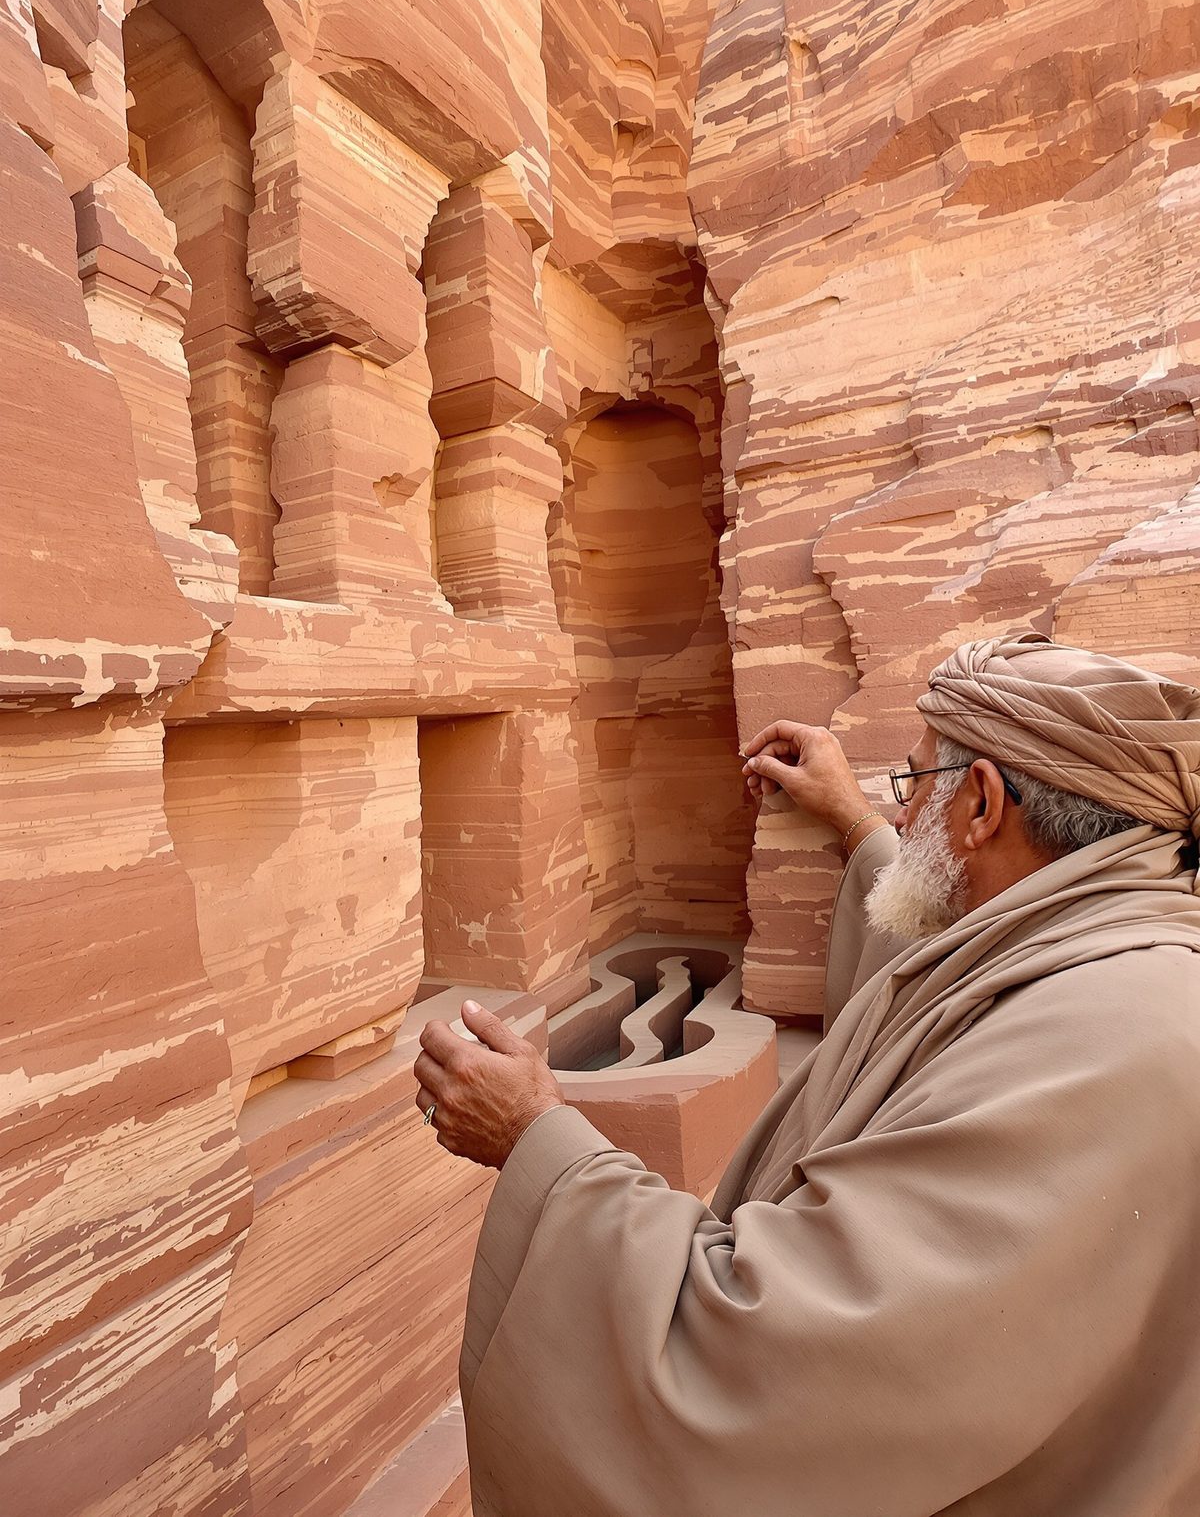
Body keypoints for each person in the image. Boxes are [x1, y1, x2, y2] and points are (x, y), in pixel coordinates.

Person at [413, 631, 1200, 1517]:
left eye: (913, 789)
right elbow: (952, 964)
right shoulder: (1109, 941)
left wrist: (537, 1140)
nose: (903, 819)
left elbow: (776, 1364)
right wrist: (855, 825)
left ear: (982, 806)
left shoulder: (1101, 1043)